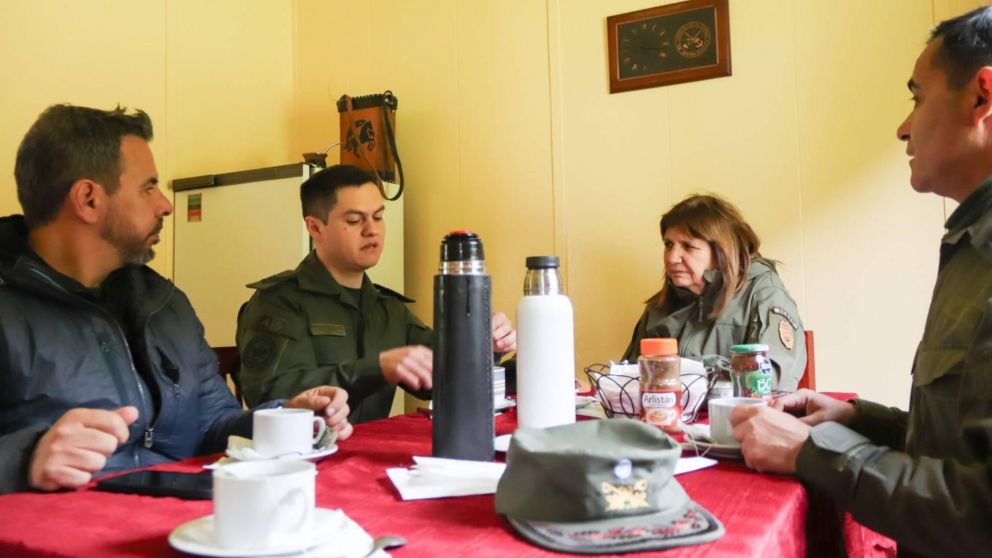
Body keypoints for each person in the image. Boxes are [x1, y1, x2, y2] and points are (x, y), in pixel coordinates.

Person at [730, 8, 992, 557]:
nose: (903, 127)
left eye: (917, 97)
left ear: (981, 97)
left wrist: (814, 452)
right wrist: (857, 418)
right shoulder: (969, 243)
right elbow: (961, 446)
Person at [0, 104, 353, 495]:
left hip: (189, 519)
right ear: (88, 199)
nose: (165, 204)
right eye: (148, 187)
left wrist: (285, 418)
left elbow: (214, 424)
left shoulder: (166, 304)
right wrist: (25, 459)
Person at [236, 164, 516, 423]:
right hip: (307, 454)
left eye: (378, 217)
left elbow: (440, 379)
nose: (372, 231)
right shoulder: (280, 301)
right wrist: (376, 368)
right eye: (355, 220)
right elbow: (270, 395)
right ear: (315, 227)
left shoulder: (387, 309)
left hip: (368, 452)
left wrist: (483, 344)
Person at [622, 194, 806, 391]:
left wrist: (688, 370)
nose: (673, 258)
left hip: (736, 411)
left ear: (721, 251)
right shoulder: (660, 305)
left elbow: (773, 382)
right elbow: (627, 380)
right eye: (668, 245)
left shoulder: (764, 294)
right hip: (662, 409)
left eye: (688, 246)